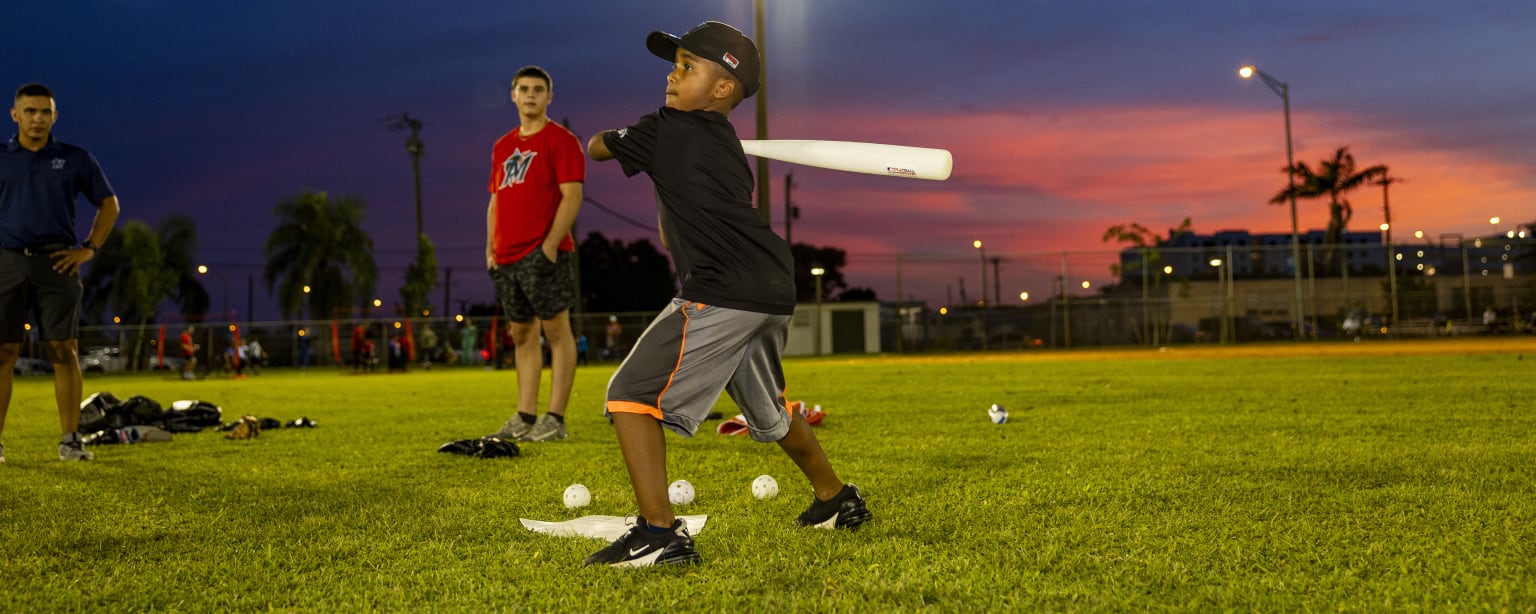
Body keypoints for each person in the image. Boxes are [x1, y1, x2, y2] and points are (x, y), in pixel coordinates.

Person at [582, 22, 870, 567]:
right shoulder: (727, 150)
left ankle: (658, 534)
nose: (672, 73)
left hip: (723, 290)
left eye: (688, 67)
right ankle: (837, 500)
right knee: (769, 409)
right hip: (770, 287)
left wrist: (627, 135)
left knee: (629, 396)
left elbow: (594, 147)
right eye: (675, 64)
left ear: (722, 89)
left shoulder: (665, 127)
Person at [0, 83, 121, 463]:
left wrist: (89, 248)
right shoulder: (2, 157)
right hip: (8, 262)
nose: (38, 119)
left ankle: (70, 440)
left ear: (55, 116)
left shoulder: (74, 158)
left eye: (45, 112)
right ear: (15, 115)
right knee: (3, 351)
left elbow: (109, 204)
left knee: (63, 350)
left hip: (58, 263)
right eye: (30, 111)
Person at [485, 66, 586, 443]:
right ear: (513, 95)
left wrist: (548, 247)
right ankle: (525, 416)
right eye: (523, 89)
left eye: (538, 89)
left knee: (557, 332)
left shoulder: (561, 141)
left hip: (544, 253)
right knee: (522, 334)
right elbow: (495, 200)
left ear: (549, 97)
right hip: (506, 257)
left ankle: (554, 418)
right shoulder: (502, 146)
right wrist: (490, 249)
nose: (530, 95)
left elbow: (571, 196)